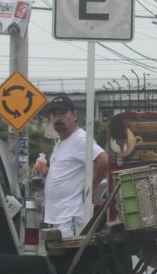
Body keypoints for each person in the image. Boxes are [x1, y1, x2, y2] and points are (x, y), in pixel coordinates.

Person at [43, 95, 109, 239]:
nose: (57, 118)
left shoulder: (80, 139)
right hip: (59, 217)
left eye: (62, 114)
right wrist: (45, 173)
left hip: (71, 217)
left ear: (74, 115)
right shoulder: (61, 142)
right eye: (54, 115)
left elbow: (104, 160)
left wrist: (89, 190)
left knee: (69, 259)